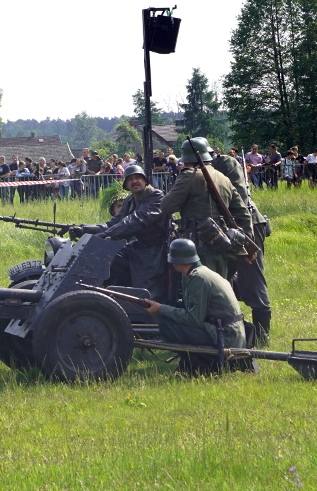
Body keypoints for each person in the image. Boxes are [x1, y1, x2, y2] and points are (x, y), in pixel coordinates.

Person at [141, 239, 251, 375]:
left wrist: (161, 309)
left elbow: (194, 319)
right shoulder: (199, 273)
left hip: (226, 337)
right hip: (226, 333)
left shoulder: (199, 278)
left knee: (167, 325)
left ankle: (203, 366)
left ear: (176, 262)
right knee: (170, 321)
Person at [72, 164, 170, 301]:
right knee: (101, 258)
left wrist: (108, 234)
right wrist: (84, 229)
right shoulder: (130, 200)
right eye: (130, 179)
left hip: (153, 252)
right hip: (135, 248)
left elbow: (136, 220)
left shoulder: (155, 196)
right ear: (126, 184)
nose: (134, 181)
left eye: (138, 178)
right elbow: (113, 223)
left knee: (143, 293)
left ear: (145, 180)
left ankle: (144, 312)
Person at [160, 137, 252, 279]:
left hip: (198, 247)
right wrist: (248, 246)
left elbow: (166, 206)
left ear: (186, 159)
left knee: (199, 287)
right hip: (223, 244)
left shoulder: (188, 176)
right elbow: (243, 212)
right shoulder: (223, 178)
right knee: (222, 287)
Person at [212, 149, 272, 343]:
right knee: (222, 276)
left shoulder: (225, 163)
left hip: (247, 224)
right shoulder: (202, 169)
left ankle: (262, 335)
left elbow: (239, 199)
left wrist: (245, 238)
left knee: (252, 278)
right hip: (225, 227)